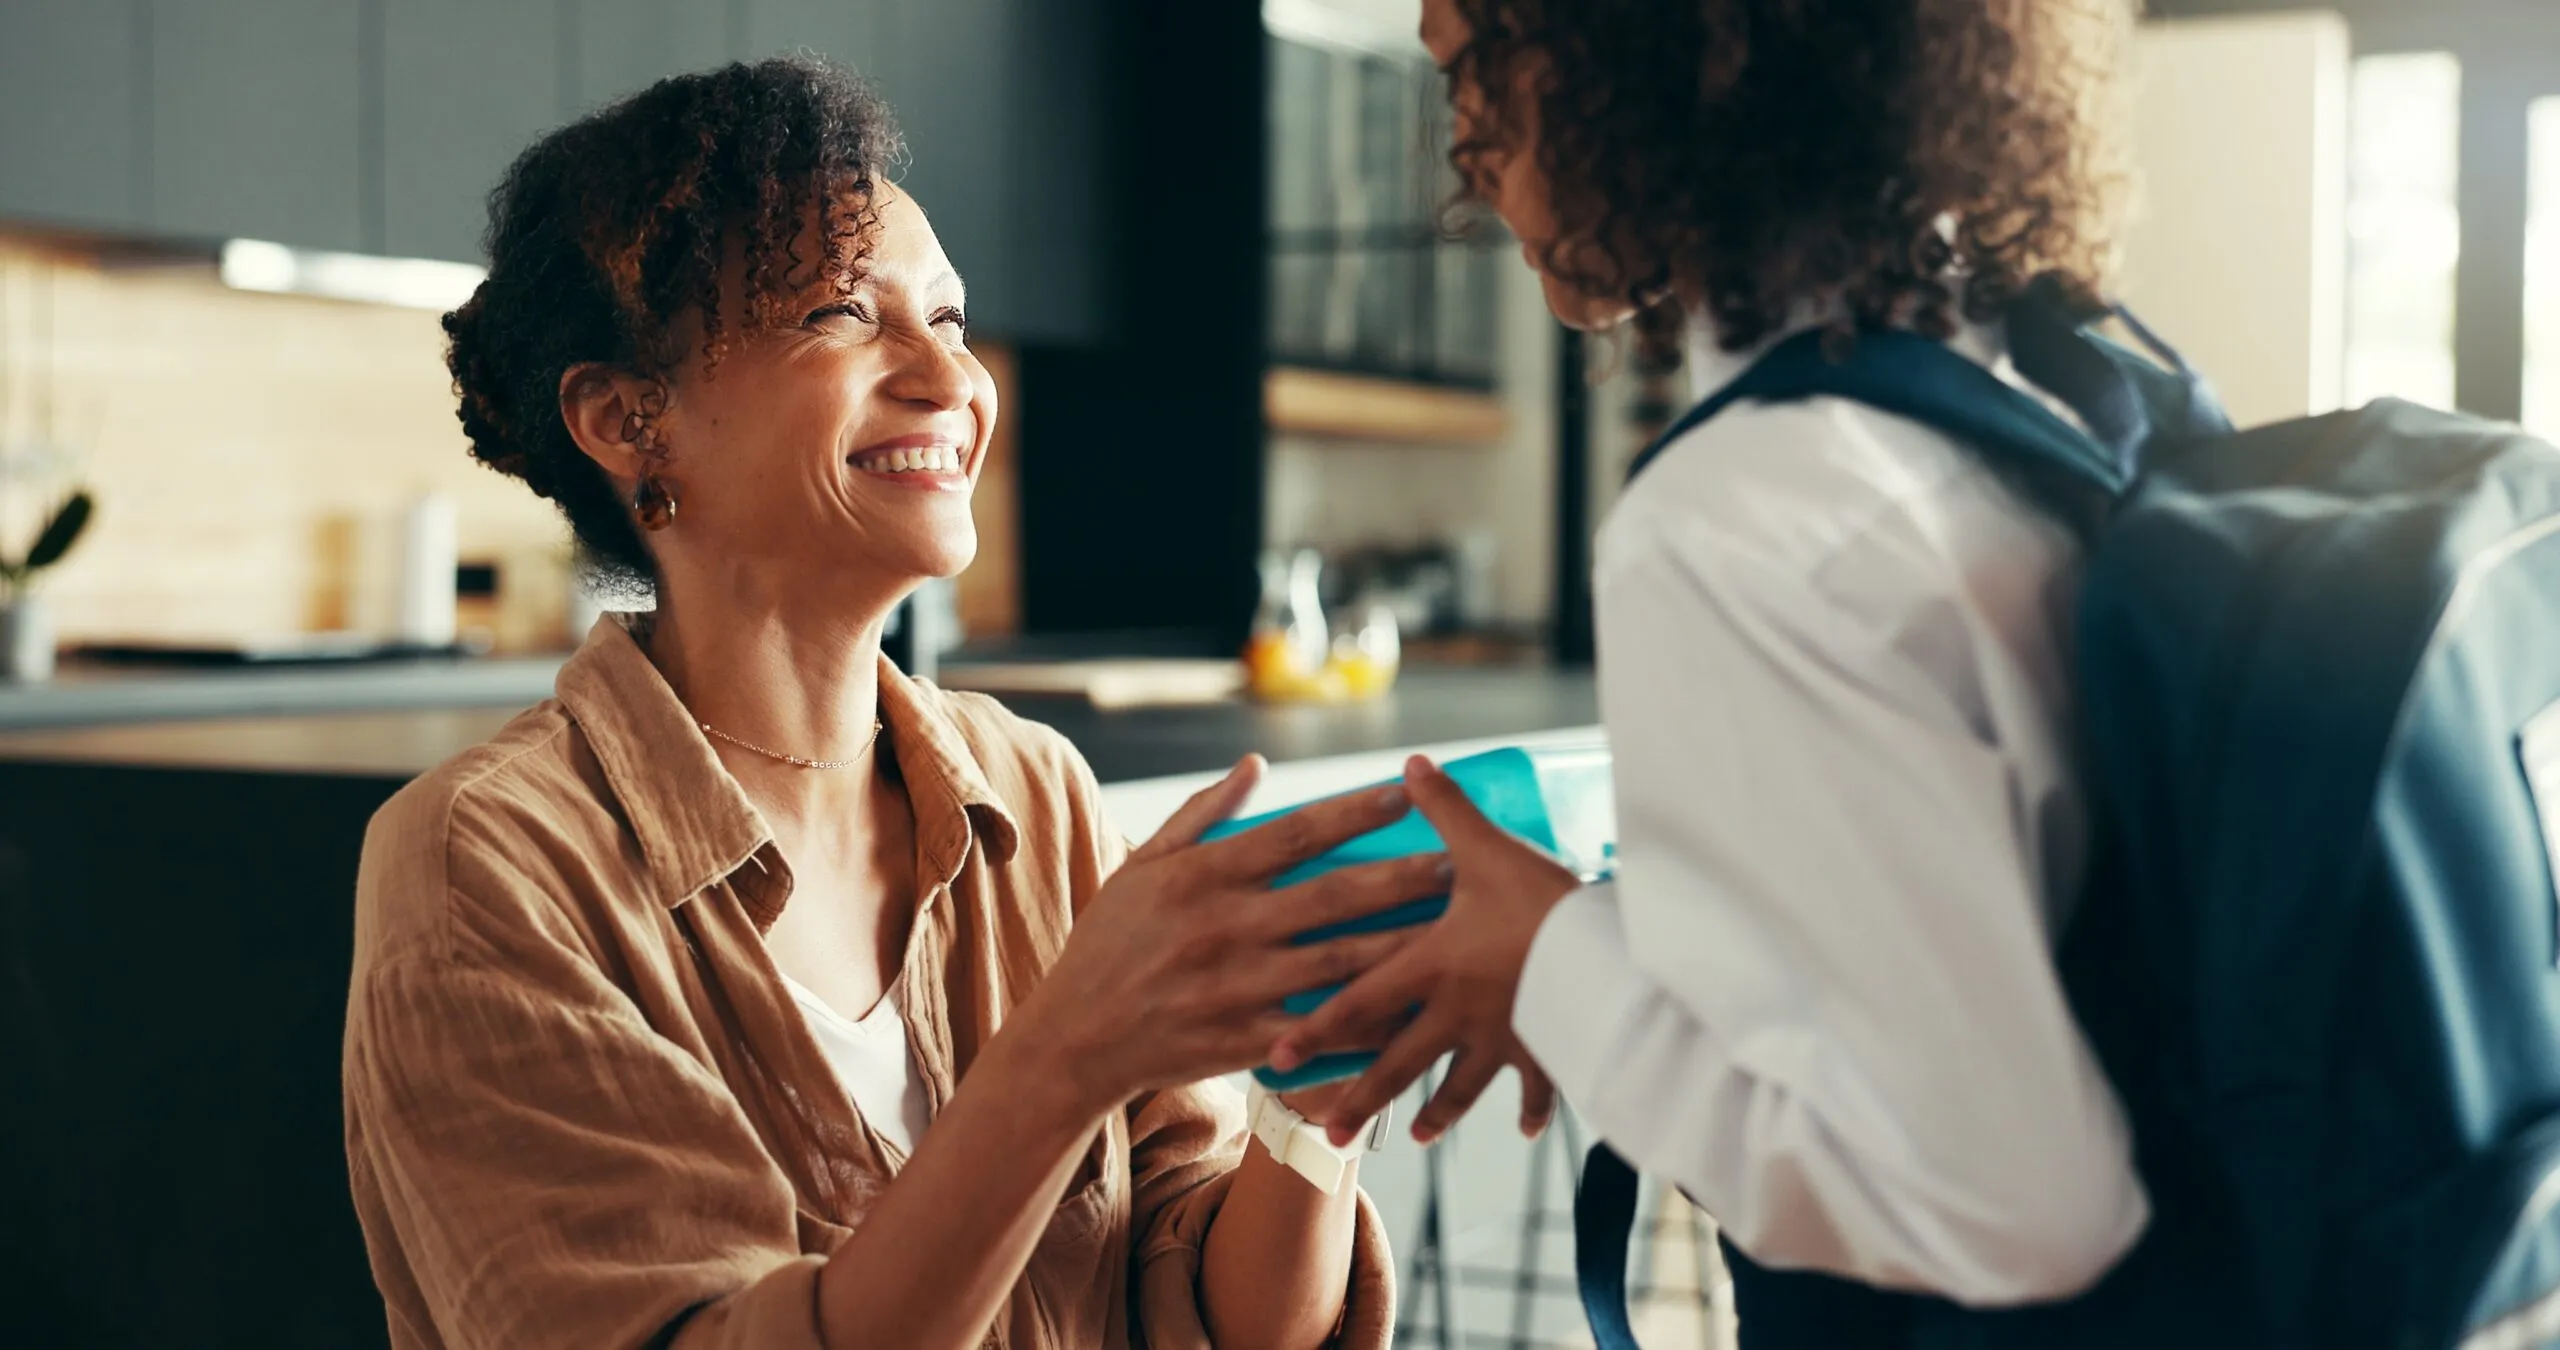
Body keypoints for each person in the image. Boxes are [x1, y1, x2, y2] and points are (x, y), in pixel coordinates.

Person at [342, 58, 1436, 1350]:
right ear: (632, 418)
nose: (950, 379)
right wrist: (1065, 1055)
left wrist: (1319, 1089)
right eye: (842, 316)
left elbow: (1213, 1311)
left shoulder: (1036, 790)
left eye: (954, 319)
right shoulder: (491, 866)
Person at [1274, 0, 2155, 1310]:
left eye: (1472, 69)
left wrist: (1556, 959)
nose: (1462, 144)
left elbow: (2013, 1205)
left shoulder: (1741, 511)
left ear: (1640, 53)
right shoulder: (2014, 400)